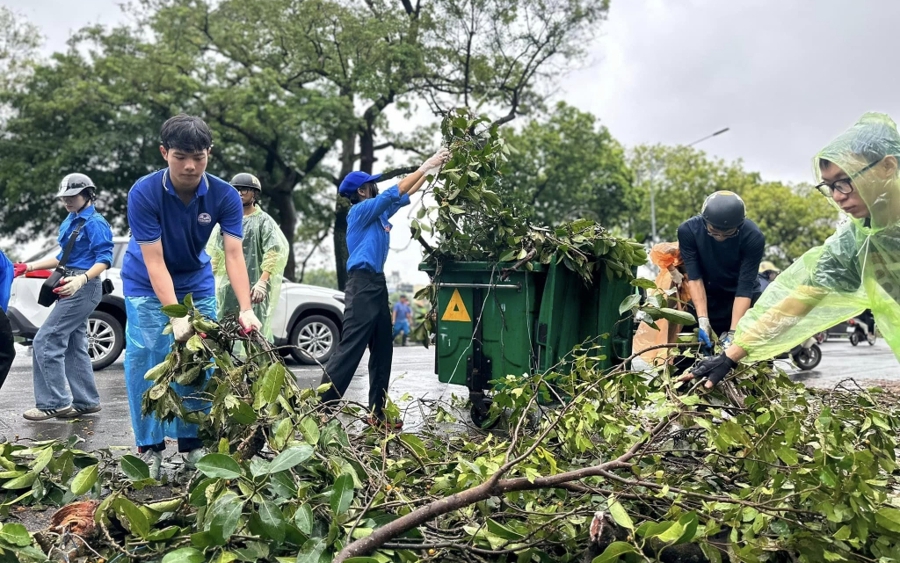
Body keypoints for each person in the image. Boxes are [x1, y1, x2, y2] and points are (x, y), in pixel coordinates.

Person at [682, 112, 900, 389]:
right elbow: (798, 300)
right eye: (829, 186)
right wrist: (729, 357)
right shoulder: (856, 242)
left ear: (887, 167)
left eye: (845, 181)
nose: (837, 195)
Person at [121, 114, 262, 477]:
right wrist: (175, 315)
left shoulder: (225, 195)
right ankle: (149, 449)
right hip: (145, 282)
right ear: (164, 152)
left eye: (198, 157)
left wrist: (246, 309)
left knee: (199, 358)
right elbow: (154, 262)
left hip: (196, 281)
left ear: (209, 155)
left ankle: (192, 448)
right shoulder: (144, 193)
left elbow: (233, 255)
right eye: (180, 155)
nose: (189, 165)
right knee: (150, 358)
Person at [320, 148, 450, 429]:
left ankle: (378, 413)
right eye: (371, 184)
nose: (375, 186)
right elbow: (395, 190)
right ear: (363, 191)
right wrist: (426, 163)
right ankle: (320, 409)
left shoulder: (377, 214)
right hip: (361, 284)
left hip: (376, 284)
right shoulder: (360, 211)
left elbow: (407, 192)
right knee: (351, 347)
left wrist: (432, 171)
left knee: (382, 349)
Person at [14, 174, 113, 421]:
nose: (67, 202)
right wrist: (28, 266)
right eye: (64, 198)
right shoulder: (71, 220)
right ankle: (87, 402)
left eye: (72, 197)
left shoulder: (96, 223)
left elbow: (105, 259)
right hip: (67, 282)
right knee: (73, 345)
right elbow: (62, 257)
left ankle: (54, 403)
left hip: (82, 286)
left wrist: (82, 280)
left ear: (88, 195)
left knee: (45, 340)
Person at [207, 173, 289, 348]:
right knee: (221, 336)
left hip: (252, 291)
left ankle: (258, 374)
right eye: (235, 189)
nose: (240, 193)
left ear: (255, 194)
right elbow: (215, 254)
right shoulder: (224, 222)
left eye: (245, 189)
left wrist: (262, 282)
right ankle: (224, 374)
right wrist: (209, 280)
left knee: (254, 339)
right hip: (225, 289)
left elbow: (273, 252)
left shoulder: (263, 221)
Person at [677, 191, 765, 348]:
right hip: (706, 295)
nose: (720, 237)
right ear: (705, 222)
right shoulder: (688, 231)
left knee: (749, 354)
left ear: (739, 226)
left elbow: (745, 286)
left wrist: (733, 332)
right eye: (714, 231)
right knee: (688, 356)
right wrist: (703, 320)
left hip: (742, 298)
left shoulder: (753, 236)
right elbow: (695, 278)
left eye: (728, 233)